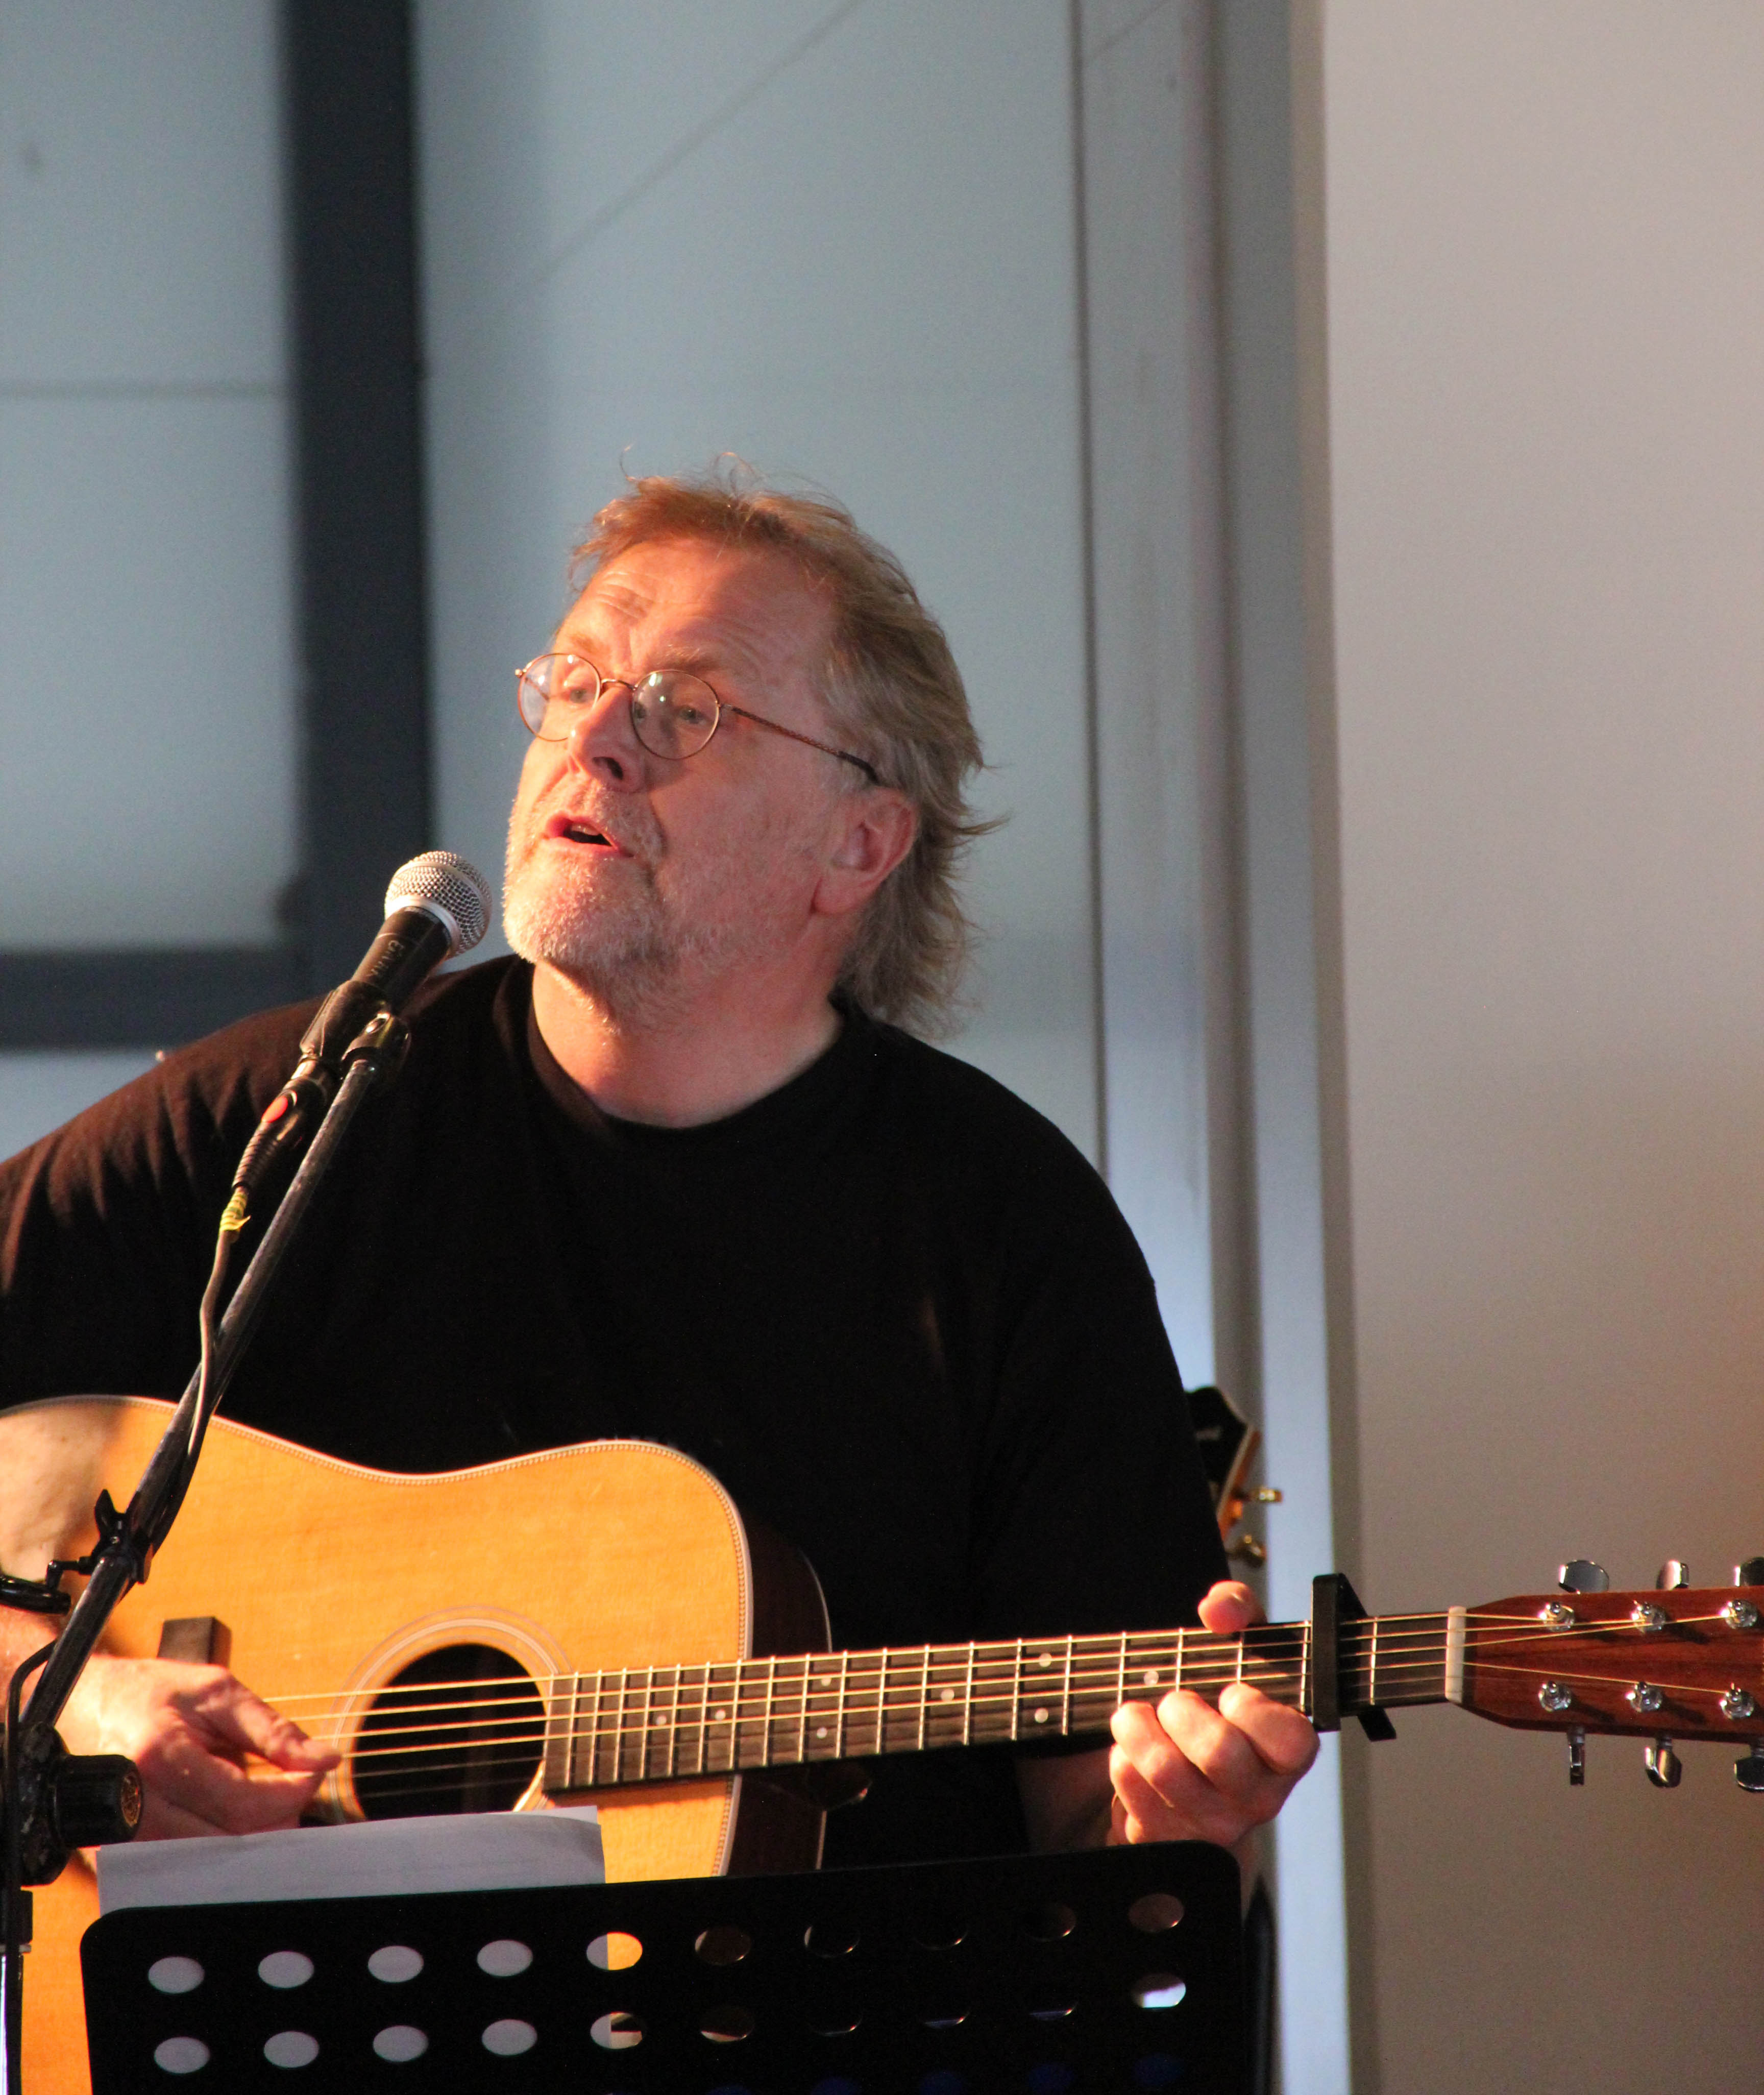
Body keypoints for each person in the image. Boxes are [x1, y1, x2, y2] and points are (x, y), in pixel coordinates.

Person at [0, 472, 1315, 1873]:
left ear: (857, 843)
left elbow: (1097, 1821)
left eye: (688, 709)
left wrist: (1181, 1822)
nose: (601, 740)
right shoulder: (301, 1109)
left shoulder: (1004, 1226)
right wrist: (69, 1693)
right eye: (575, 682)